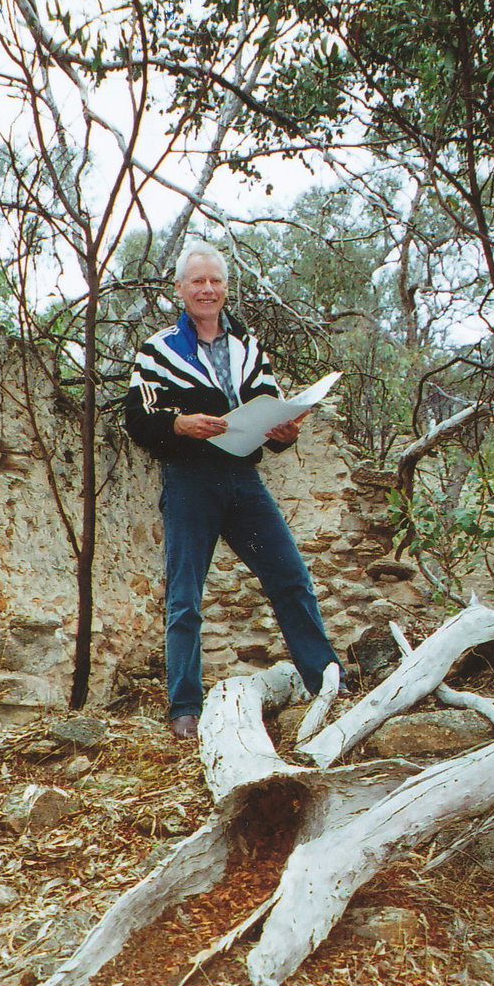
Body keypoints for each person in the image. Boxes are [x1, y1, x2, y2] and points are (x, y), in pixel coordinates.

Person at [125, 241, 344, 739]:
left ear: (226, 287)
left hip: (242, 480)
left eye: (215, 281)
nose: (207, 290)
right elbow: (137, 417)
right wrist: (180, 425)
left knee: (290, 577)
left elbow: (269, 407)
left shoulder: (249, 348)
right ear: (179, 289)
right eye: (197, 281)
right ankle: (184, 708)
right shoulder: (158, 350)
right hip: (189, 481)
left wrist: (284, 433)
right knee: (185, 596)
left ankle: (326, 682)